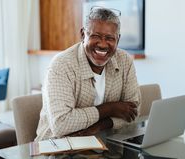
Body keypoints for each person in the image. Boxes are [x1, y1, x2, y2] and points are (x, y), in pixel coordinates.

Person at [35, 7, 141, 141]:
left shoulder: (125, 61)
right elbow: (60, 124)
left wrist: (100, 126)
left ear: (118, 40)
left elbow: (133, 112)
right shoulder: (61, 65)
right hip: (58, 146)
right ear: (83, 35)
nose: (103, 44)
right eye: (95, 36)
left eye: (109, 38)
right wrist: (109, 109)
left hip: (107, 143)